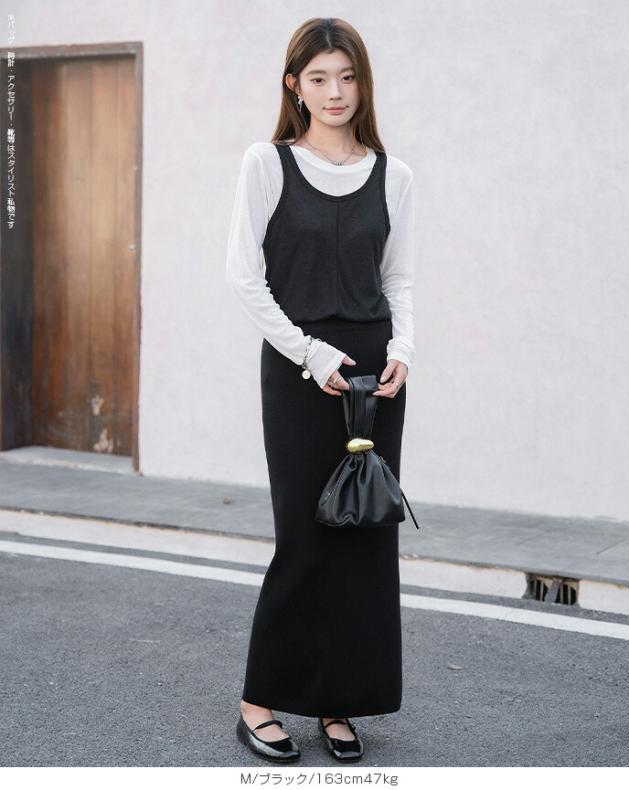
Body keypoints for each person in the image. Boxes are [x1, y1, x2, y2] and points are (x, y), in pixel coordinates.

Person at [225, 16, 415, 764]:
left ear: (362, 83)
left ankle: (340, 701)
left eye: (347, 76)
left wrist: (402, 352)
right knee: (304, 537)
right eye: (319, 78)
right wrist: (308, 352)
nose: (335, 92)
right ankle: (258, 702)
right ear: (294, 86)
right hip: (300, 365)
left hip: (375, 372)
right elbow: (244, 277)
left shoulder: (394, 175)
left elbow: (399, 279)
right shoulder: (268, 164)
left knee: (365, 536)